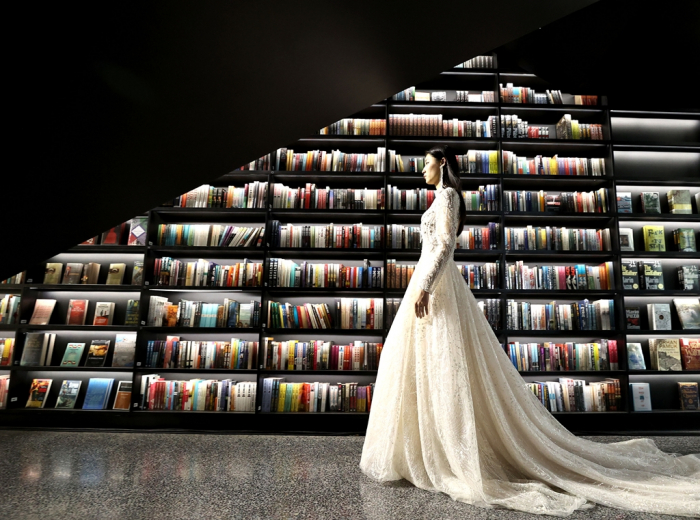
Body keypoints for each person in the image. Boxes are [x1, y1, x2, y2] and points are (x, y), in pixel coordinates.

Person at [359, 145, 700, 517]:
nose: (420, 171)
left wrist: (425, 286)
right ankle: (429, 447)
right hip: (429, 282)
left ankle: (450, 449)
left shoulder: (448, 196)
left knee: (444, 363)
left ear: (442, 164)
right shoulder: (440, 197)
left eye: (424, 163)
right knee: (427, 363)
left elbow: (444, 244)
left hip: (434, 284)